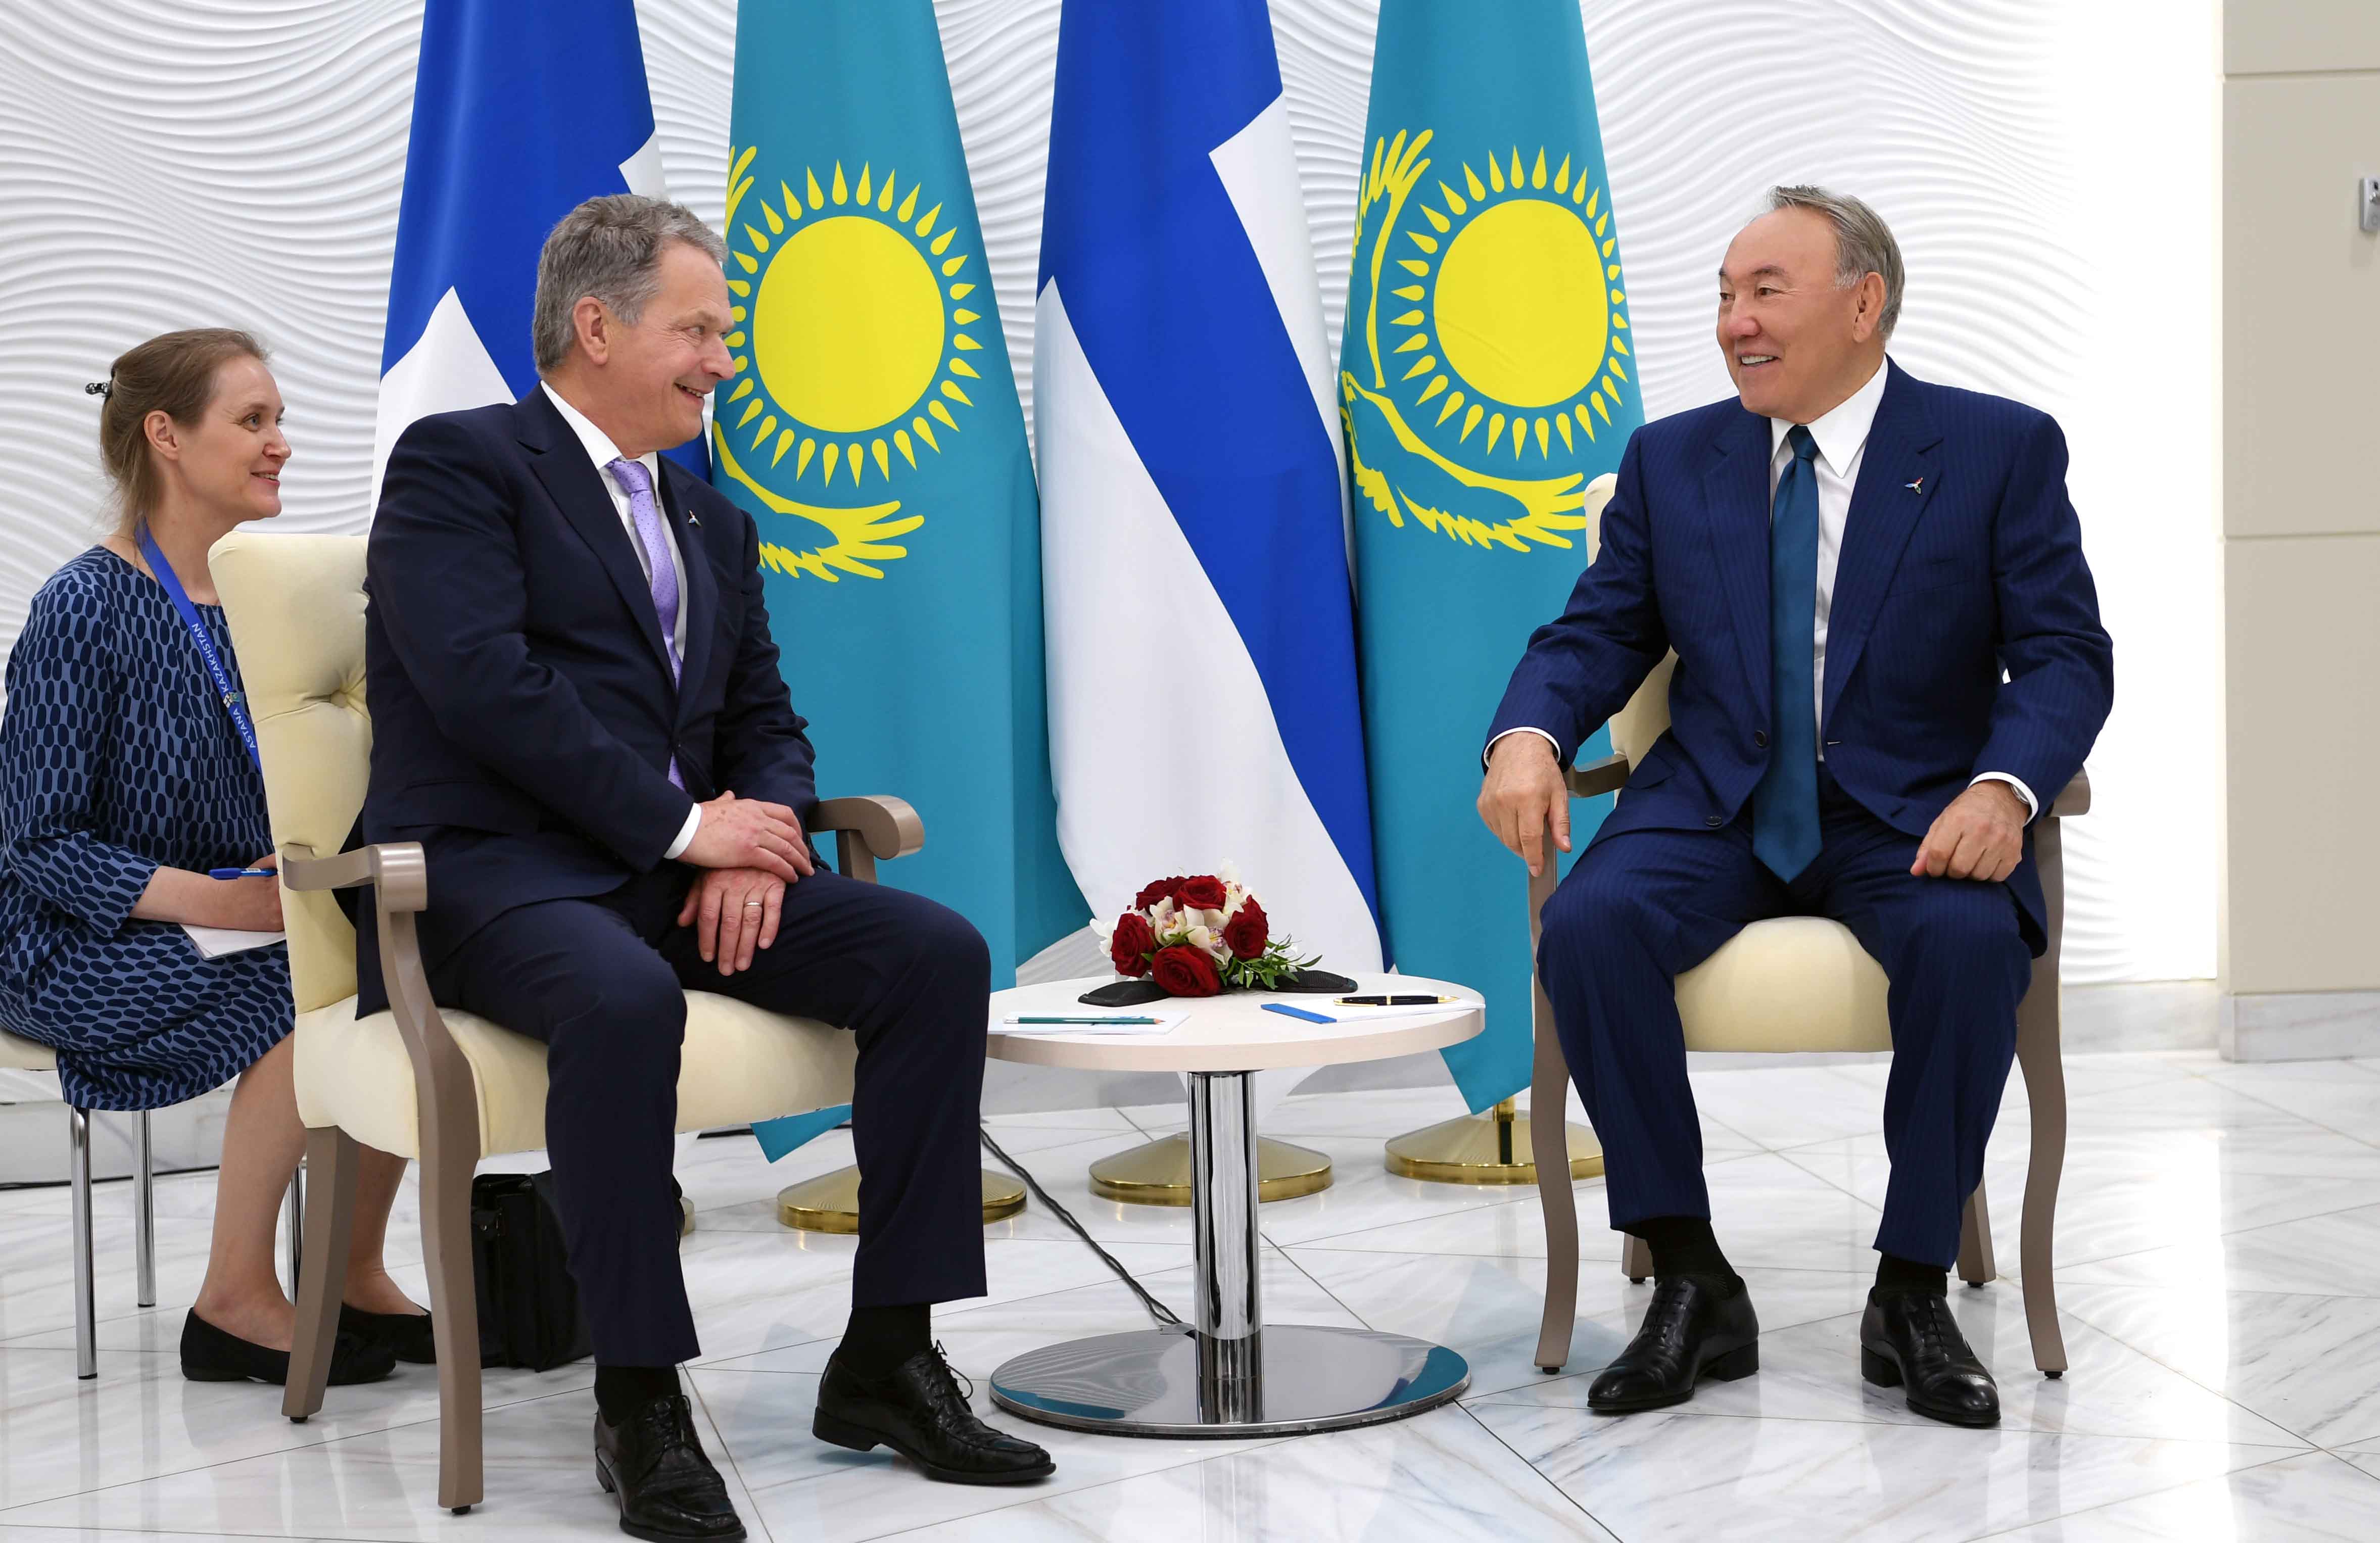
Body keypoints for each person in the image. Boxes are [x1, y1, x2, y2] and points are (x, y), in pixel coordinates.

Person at [358, 194, 1051, 1541]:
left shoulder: (709, 515)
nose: (722, 360)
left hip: (672, 880)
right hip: (497, 879)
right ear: (596, 326)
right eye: (698, 330)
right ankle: (639, 1400)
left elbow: (763, 718)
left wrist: (762, 844)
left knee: (933, 954)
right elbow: (484, 687)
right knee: (623, 999)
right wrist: (686, 833)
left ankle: (887, 1354)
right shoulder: (461, 463)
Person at [1479, 186, 2113, 1428]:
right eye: (1726, 296)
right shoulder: (1673, 460)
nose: (1735, 323)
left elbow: (2064, 657)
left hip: (1910, 809)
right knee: (1591, 927)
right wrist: (1528, 737)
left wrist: (2004, 789)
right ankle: (1693, 1277)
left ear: (1863, 304)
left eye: (1766, 292)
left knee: (1970, 940)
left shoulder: (1997, 449)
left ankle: (1911, 1290)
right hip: (1715, 799)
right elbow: (1596, 633)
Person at [0, 328, 429, 1387]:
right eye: (253, 421)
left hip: (233, 916)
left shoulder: (267, 606)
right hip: (66, 943)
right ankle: (233, 1300)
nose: (281, 443)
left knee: (401, 965)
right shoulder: (84, 607)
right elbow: (38, 842)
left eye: (280, 420)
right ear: (166, 436)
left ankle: (350, 1274)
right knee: (307, 987)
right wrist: (226, 906)